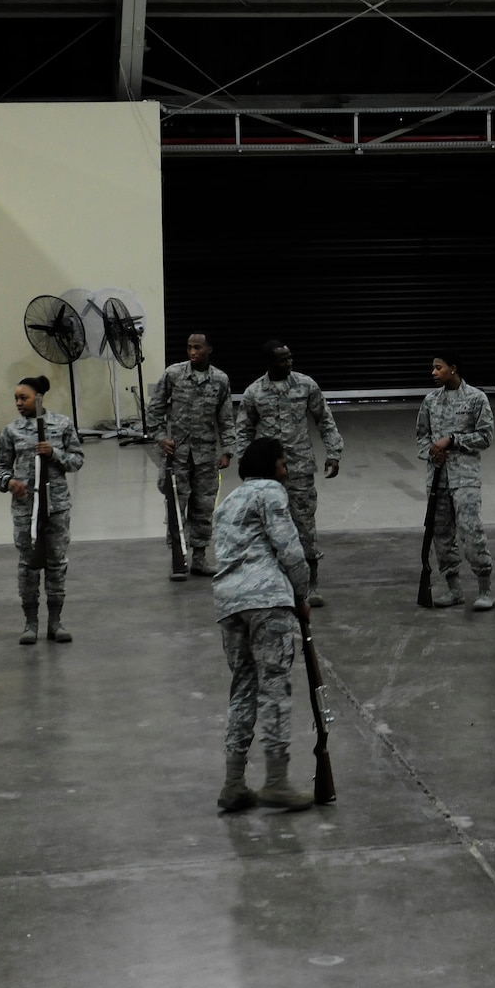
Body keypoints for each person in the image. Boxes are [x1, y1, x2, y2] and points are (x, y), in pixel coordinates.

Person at [211, 436, 315, 814]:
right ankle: (276, 781)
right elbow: (289, 549)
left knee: (242, 689)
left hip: (229, 603)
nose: (286, 471)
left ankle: (234, 782)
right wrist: (302, 594)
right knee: (274, 688)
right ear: (270, 467)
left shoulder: (229, 502)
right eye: (283, 464)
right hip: (267, 601)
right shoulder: (271, 492)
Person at [233, 341, 342, 606]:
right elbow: (243, 429)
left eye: (290, 358)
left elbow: (324, 419)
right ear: (269, 363)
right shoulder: (254, 392)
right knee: (267, 524)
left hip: (299, 468)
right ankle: (270, 579)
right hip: (265, 473)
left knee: (304, 524)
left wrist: (334, 451)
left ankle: (309, 583)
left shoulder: (306, 385)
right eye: (282, 359)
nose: (289, 363)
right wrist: (244, 462)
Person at [0, 376, 86, 644]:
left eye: (24, 397)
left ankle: (55, 622)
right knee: (29, 565)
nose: (19, 403)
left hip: (56, 506)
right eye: (16, 399)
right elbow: (0, 467)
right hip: (26, 510)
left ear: (39, 397)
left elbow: (77, 460)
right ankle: (30, 623)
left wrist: (54, 453)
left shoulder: (61, 425)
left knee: (56, 564)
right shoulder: (11, 431)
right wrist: (9, 483)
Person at [147, 332, 237, 580]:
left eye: (198, 347)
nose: (192, 352)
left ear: (209, 349)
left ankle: (199, 558)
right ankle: (178, 559)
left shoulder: (220, 380)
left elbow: (226, 419)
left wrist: (228, 450)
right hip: (177, 455)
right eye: (189, 348)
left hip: (206, 457)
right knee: (176, 508)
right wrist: (159, 438)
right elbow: (153, 412)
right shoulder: (173, 374)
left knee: (204, 507)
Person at [416, 351, 495, 610]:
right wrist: (431, 452)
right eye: (432, 368)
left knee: (471, 532)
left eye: (438, 368)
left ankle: (485, 589)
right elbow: (421, 435)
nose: (433, 373)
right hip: (437, 478)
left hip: (465, 478)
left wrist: (452, 440)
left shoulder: (476, 398)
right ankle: (454, 589)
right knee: (441, 535)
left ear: (453, 369)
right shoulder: (430, 401)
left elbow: (485, 436)